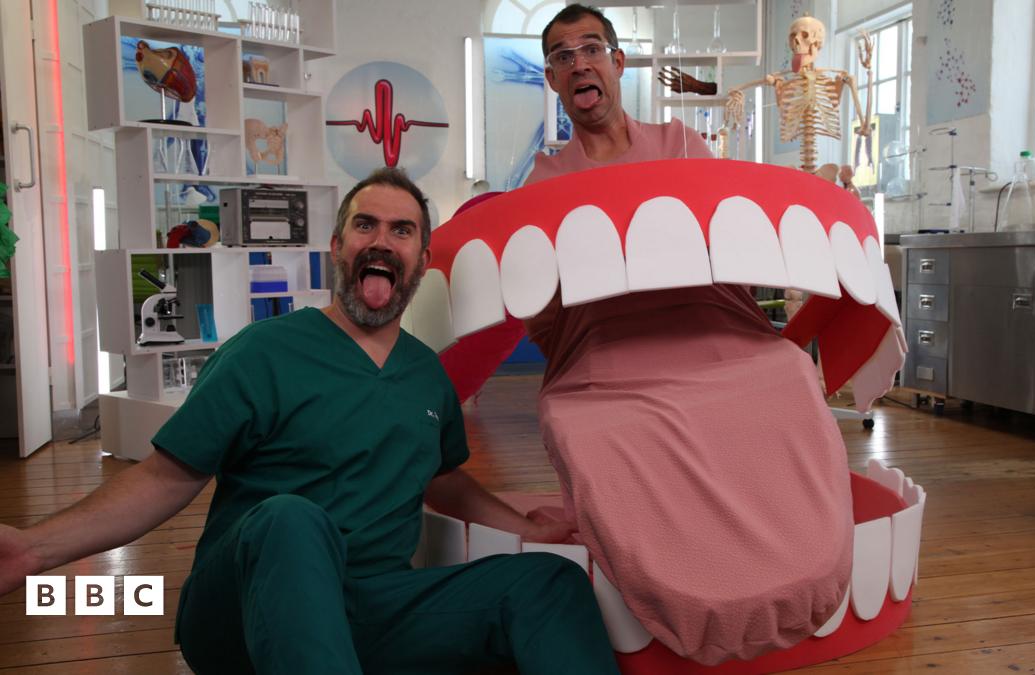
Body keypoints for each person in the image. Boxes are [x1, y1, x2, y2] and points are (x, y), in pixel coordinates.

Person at [0, 168, 620, 675]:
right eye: (365, 225)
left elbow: (442, 477)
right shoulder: (262, 352)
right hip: (245, 605)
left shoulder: (426, 375)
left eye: (402, 230)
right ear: (337, 248)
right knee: (291, 519)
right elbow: (164, 477)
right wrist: (32, 550)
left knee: (547, 583)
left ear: (422, 260)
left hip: (371, 607)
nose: (382, 240)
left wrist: (526, 527)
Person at [513, 4, 855, 666]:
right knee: (578, 416)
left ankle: (788, 555)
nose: (579, 63)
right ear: (553, 80)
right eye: (562, 56)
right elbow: (541, 303)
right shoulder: (545, 181)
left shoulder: (680, 145)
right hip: (609, 349)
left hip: (711, 327)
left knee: (786, 371)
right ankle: (680, 576)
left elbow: (727, 241)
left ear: (617, 62)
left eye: (591, 49)